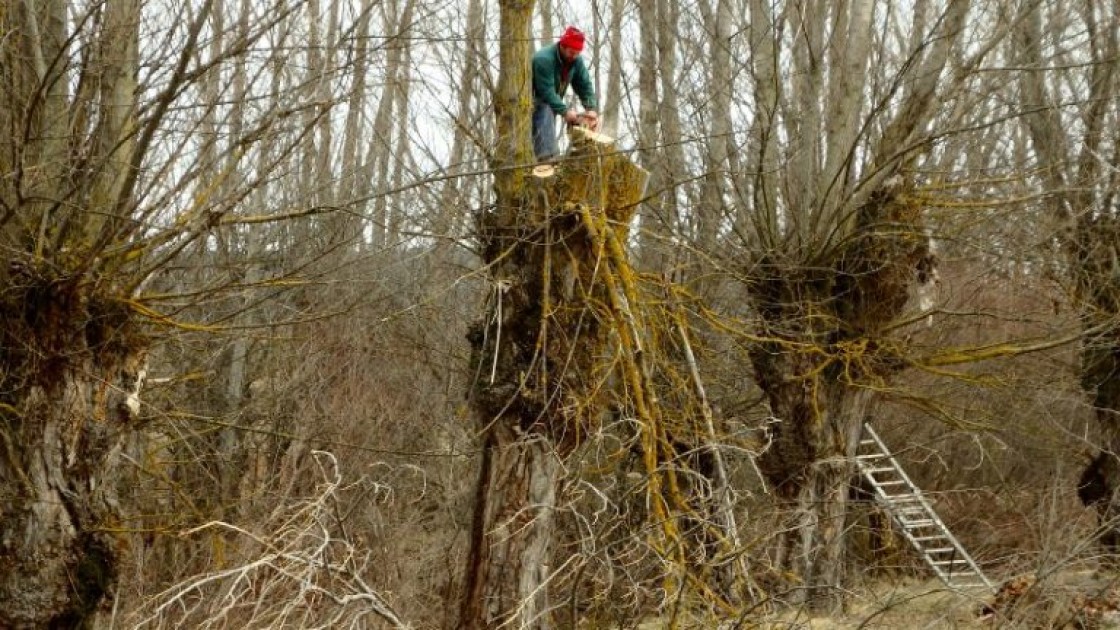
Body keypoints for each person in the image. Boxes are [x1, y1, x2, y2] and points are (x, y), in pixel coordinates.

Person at [532, 26, 598, 161]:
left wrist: (590, 108)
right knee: (545, 108)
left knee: (577, 121)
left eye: (577, 53)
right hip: (535, 103)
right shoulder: (544, 59)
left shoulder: (576, 61)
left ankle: (577, 157)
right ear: (562, 45)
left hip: (551, 105)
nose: (574, 56)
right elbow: (547, 92)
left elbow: (584, 84)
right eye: (571, 52)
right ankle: (547, 156)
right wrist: (564, 111)